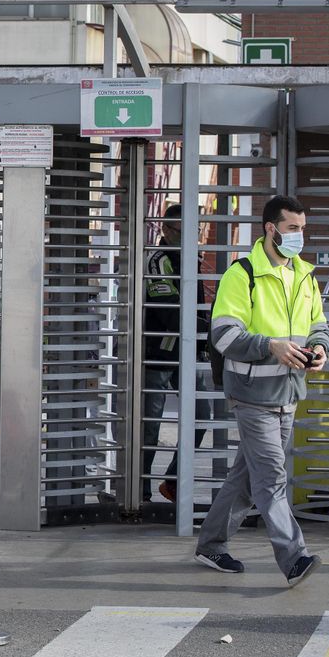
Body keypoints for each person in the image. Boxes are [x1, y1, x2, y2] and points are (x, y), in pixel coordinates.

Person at [195, 195, 326, 587]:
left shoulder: (305, 274)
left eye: (302, 228)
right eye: (292, 228)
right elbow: (224, 334)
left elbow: (319, 324)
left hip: (288, 393)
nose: (299, 236)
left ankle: (211, 544)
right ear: (271, 228)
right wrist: (271, 346)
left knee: (248, 478)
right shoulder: (243, 274)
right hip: (252, 393)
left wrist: (320, 350)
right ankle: (294, 558)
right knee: (271, 477)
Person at [141, 203, 210, 503]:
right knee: (148, 429)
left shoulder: (191, 259)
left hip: (187, 353)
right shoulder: (157, 260)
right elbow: (169, 310)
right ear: (166, 230)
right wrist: (209, 332)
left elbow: (195, 309)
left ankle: (171, 480)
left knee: (201, 416)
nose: (190, 237)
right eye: (183, 231)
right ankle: (137, 493)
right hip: (156, 354)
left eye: (194, 232)